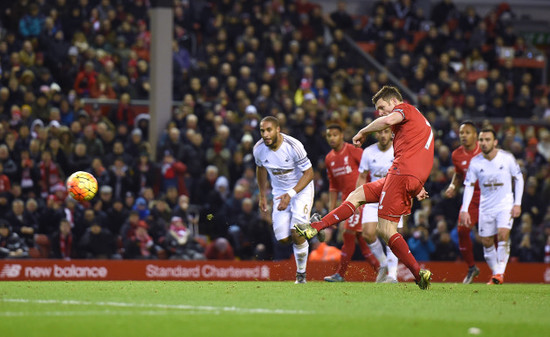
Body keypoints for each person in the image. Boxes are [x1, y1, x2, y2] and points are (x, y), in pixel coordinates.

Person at [295, 85, 434, 290]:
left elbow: (388, 120)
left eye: (382, 106)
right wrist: (416, 185)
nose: (380, 112)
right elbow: (419, 153)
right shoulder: (419, 121)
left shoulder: (405, 109)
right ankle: (314, 228)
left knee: (385, 230)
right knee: (357, 194)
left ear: (395, 102)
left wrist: (363, 130)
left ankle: (418, 272)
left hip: (401, 173)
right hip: (406, 177)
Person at [254, 116, 316, 284]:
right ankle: (312, 227)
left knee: (296, 233)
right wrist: (262, 195)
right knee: (282, 239)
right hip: (279, 193)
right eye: (262, 131)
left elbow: (310, 174)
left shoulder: (293, 146)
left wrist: (291, 194)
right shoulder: (258, 149)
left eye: (269, 130)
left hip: (301, 189)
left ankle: (301, 275)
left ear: (278, 130)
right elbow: (260, 169)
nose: (265, 134)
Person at [459, 128, 524, 285]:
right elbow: (468, 185)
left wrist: (517, 203)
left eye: (487, 140)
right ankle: (496, 274)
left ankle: (499, 273)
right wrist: (464, 209)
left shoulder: (506, 158)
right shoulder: (475, 162)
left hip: (505, 205)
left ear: (495, 142)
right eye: (481, 140)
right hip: (486, 207)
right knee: (486, 242)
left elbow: (519, 178)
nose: (484, 143)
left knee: (502, 235)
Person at [322, 124, 383, 283]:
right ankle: (382, 271)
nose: (332, 138)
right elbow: (334, 186)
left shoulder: (354, 151)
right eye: (329, 135)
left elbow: (369, 171)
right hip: (346, 202)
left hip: (361, 200)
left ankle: (340, 274)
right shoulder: (329, 159)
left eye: (335, 134)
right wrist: (332, 209)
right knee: (362, 241)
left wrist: (368, 195)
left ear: (342, 135)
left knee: (348, 234)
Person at [356, 128, 404, 283]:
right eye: (380, 132)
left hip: (393, 197)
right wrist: (358, 198)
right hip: (373, 197)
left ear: (391, 134)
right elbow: (362, 176)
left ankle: (392, 275)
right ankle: (383, 263)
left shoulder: (398, 150)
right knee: (367, 234)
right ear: (375, 134)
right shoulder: (368, 152)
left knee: (390, 235)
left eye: (386, 132)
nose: (383, 135)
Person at [444, 121, 482, 284]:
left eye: (467, 132)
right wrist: (453, 185)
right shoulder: (456, 155)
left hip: (490, 197)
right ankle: (472, 267)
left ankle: (499, 270)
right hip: (471, 198)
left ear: (475, 135)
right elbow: (459, 174)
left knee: (492, 236)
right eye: (461, 133)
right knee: (462, 230)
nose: (463, 136)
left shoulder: (485, 151)